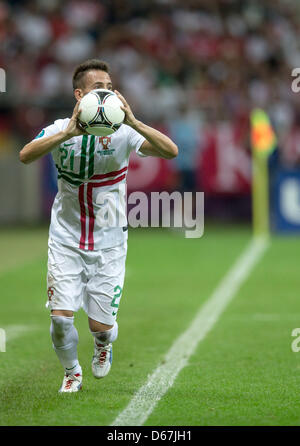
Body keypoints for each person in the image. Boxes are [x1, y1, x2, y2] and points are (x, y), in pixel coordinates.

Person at [19, 59, 178, 393]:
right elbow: (25, 155)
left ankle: (104, 343)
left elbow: (170, 151)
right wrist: (66, 133)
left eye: (109, 87)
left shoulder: (122, 133)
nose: (106, 93)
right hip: (65, 238)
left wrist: (134, 120)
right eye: (97, 88)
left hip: (109, 241)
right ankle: (72, 372)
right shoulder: (60, 129)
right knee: (61, 319)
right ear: (79, 96)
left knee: (100, 327)